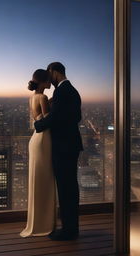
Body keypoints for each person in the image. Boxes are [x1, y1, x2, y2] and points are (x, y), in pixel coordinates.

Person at [34, 62, 83, 241]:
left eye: (49, 74)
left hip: (63, 146)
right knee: (69, 188)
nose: (49, 78)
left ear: (55, 72)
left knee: (66, 189)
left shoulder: (62, 91)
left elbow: (55, 118)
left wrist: (37, 125)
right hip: (70, 145)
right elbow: (76, 117)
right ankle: (71, 228)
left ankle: (69, 230)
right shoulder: (71, 90)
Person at [20, 69, 57, 237]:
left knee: (39, 178)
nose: (51, 83)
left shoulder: (32, 97)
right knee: (45, 180)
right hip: (44, 138)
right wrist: (53, 103)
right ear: (43, 82)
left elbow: (38, 118)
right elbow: (49, 119)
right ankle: (45, 223)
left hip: (36, 138)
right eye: (49, 80)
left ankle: (37, 222)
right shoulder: (42, 98)